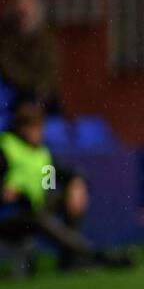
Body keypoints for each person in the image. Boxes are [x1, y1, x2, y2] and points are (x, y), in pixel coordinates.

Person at [0, 101, 134, 274]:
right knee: (38, 218)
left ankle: (70, 259)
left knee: (71, 190)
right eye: (34, 128)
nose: (38, 133)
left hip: (34, 210)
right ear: (22, 129)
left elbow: (60, 174)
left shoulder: (40, 152)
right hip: (10, 215)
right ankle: (94, 255)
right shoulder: (6, 149)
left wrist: (77, 182)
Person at [0, 0, 61, 113]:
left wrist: (43, 86)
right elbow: (8, 65)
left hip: (40, 90)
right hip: (15, 89)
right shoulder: (6, 36)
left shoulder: (45, 37)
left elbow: (52, 65)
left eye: (27, 13)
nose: (24, 17)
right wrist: (28, 84)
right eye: (21, 13)